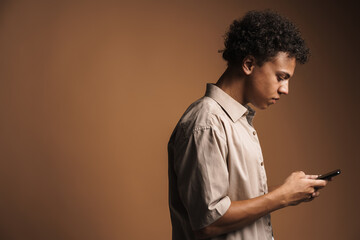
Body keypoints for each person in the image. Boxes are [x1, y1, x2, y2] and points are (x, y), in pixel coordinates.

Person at [167, 10, 328, 240]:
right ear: (249, 64)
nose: (285, 89)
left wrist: (291, 192)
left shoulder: (238, 122)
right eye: (281, 77)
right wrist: (281, 196)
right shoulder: (207, 122)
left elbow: (231, 203)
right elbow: (208, 222)